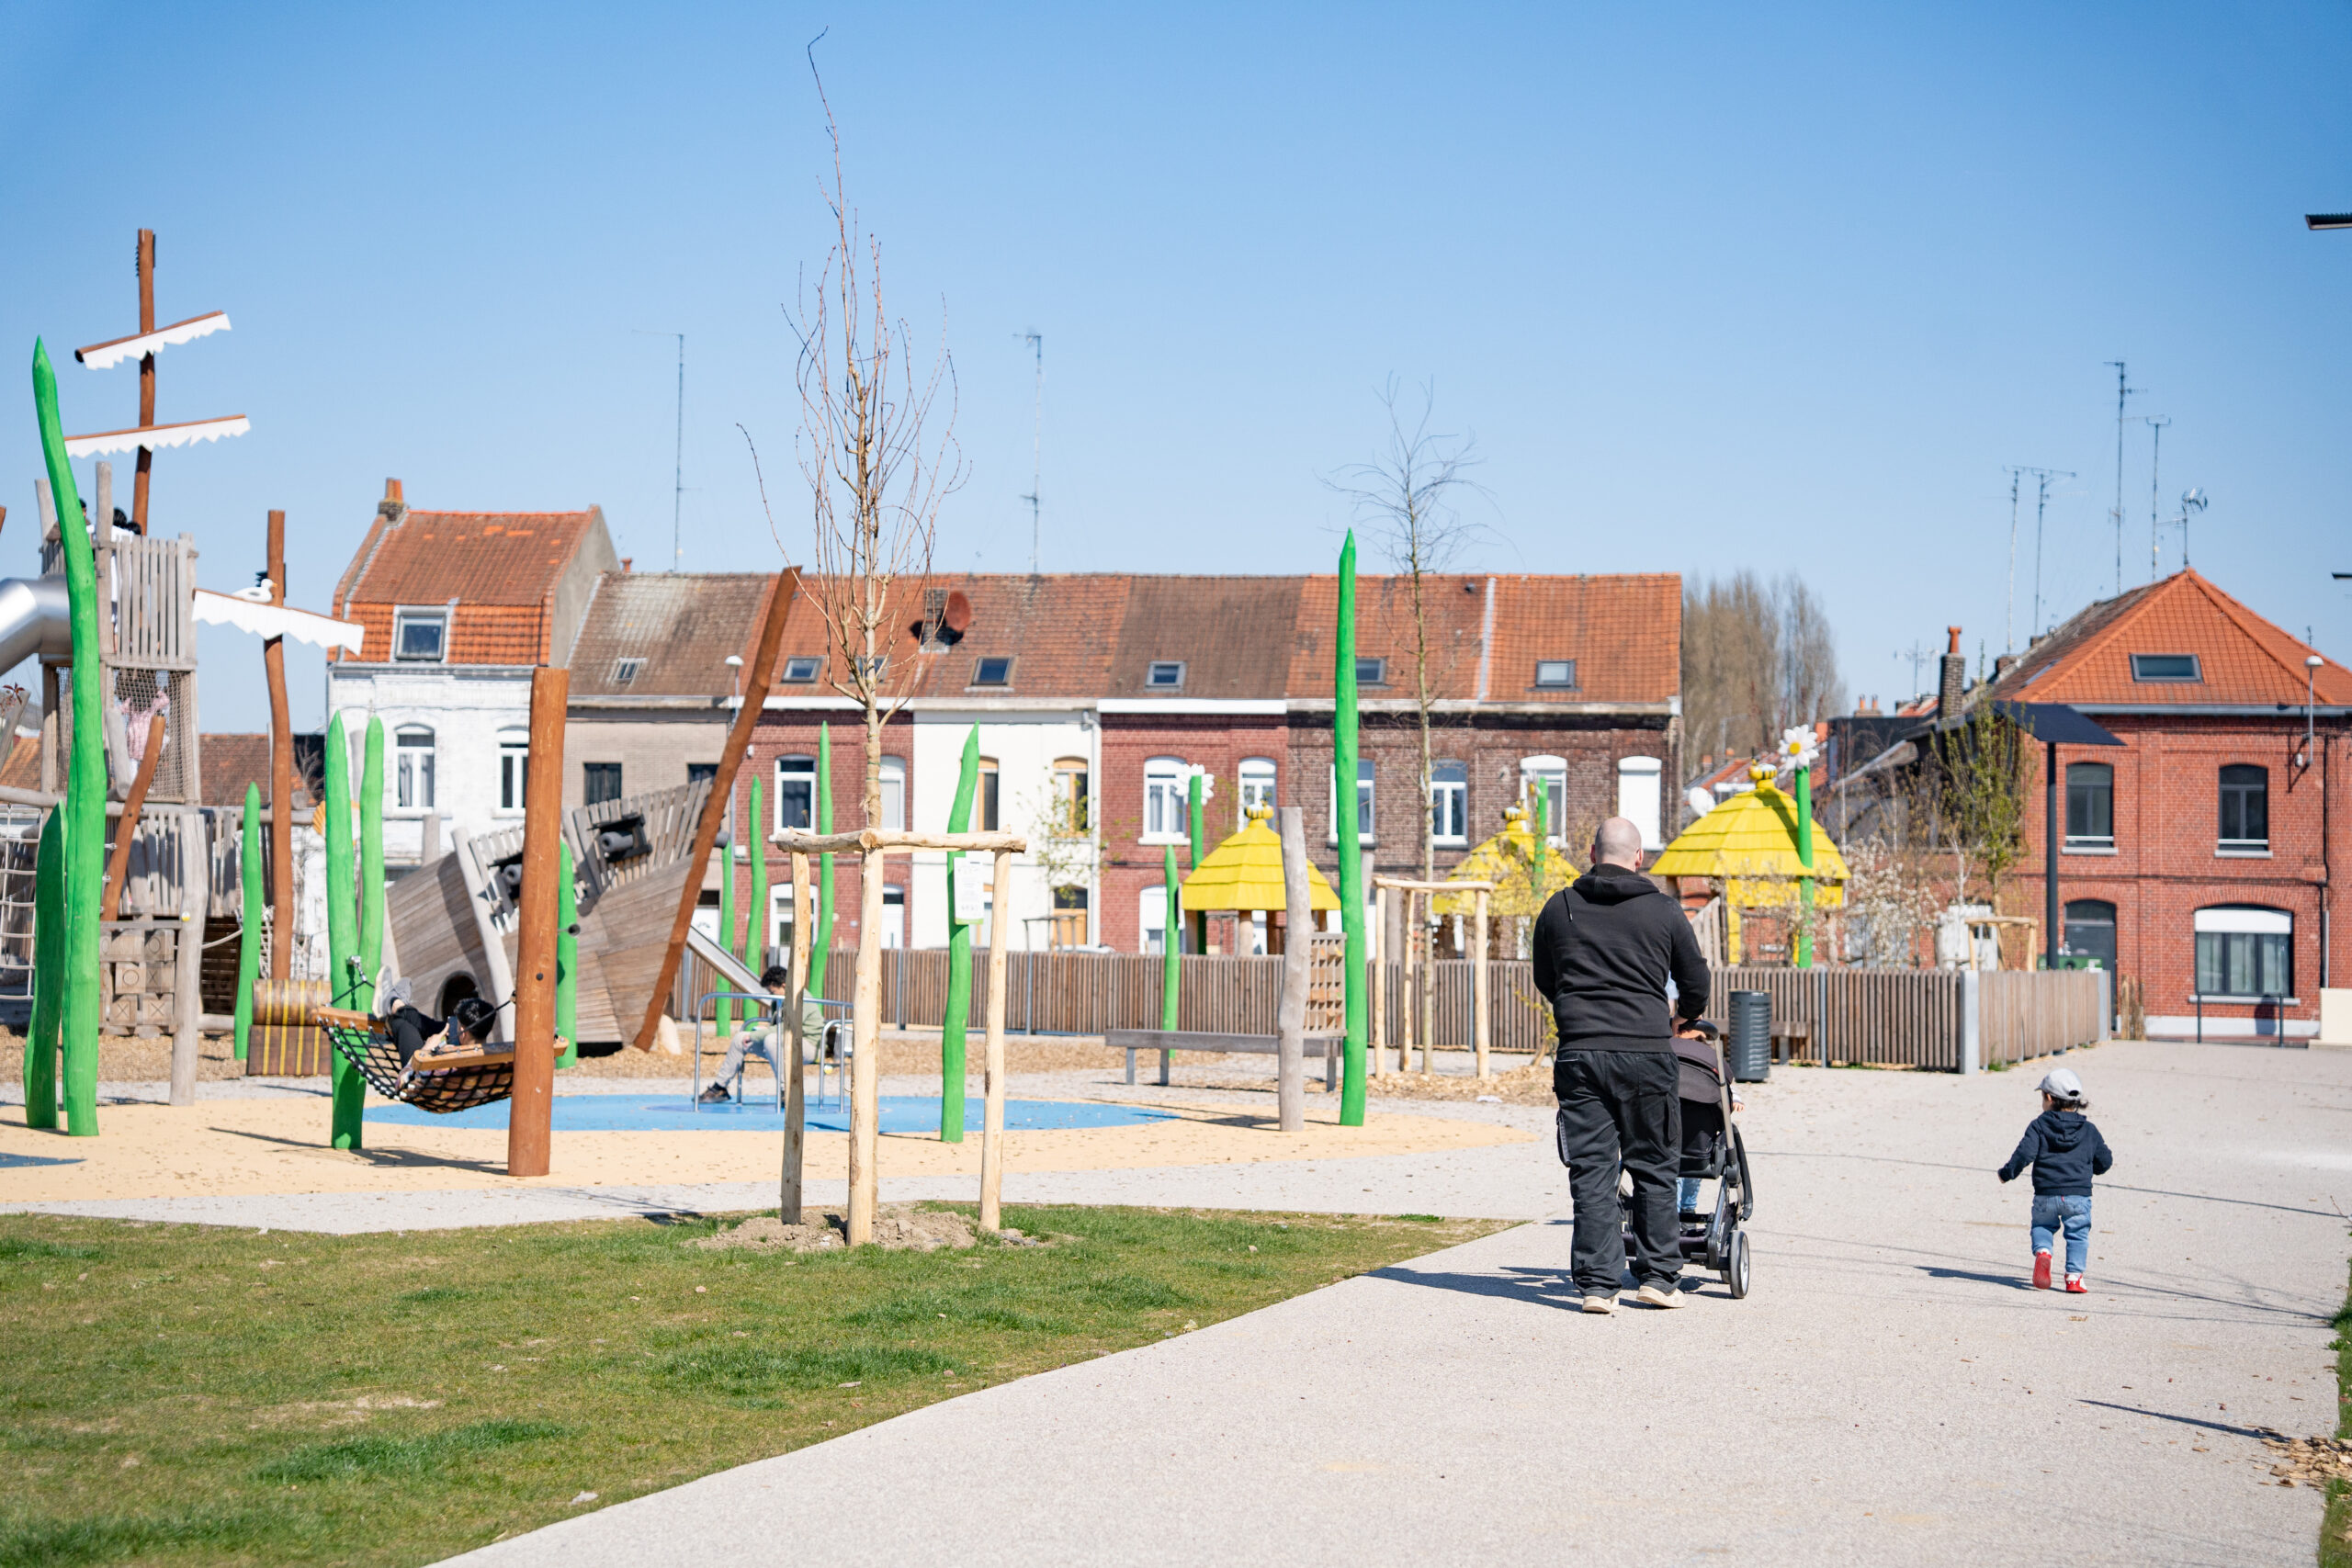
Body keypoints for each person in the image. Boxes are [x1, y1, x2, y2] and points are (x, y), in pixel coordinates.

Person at [1533, 816, 1711, 1313]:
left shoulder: (1559, 907)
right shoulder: (1664, 911)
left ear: (1591, 854)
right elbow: (1695, 980)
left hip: (1580, 1052)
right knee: (1654, 1164)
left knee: (1592, 1169)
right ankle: (1657, 1278)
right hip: (1647, 1052)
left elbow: (1546, 977)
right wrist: (1684, 1017)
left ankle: (1597, 1286)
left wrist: (1579, 1009)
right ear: (1639, 858)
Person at [1997, 1066, 2112, 1292]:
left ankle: (2043, 1252)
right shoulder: (2089, 1130)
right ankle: (2074, 1278)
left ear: (2048, 1097)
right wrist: (2092, 1169)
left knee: (2042, 1225)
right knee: (2078, 1235)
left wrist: (2007, 1173)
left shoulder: (2039, 1125)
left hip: (2046, 1193)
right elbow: (2105, 1161)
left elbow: (2024, 1153)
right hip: (2078, 1195)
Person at [698, 965, 796, 1104]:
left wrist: (757, 1035)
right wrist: (762, 1030)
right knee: (740, 1038)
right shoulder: (778, 1001)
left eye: (772, 991)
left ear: (784, 986)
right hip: (782, 1041)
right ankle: (719, 1088)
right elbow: (779, 1027)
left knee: (770, 1039)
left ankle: (787, 1091)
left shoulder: (799, 998)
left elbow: (790, 1028)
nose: (770, 995)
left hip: (805, 1044)